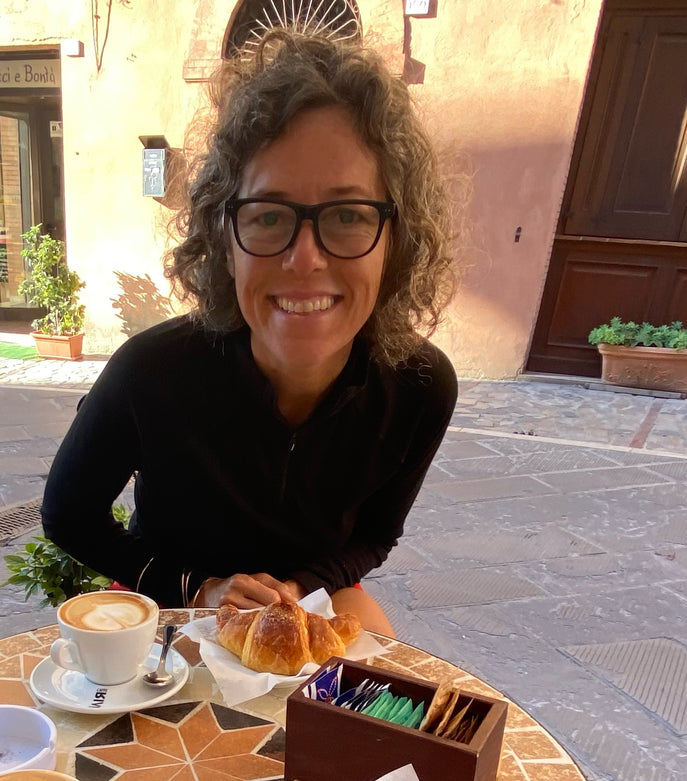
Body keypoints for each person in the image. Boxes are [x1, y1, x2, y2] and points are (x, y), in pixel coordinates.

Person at [42, 28, 458, 636]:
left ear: (396, 242)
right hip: (172, 601)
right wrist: (201, 589)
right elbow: (68, 515)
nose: (305, 259)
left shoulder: (421, 386)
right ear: (222, 241)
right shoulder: (150, 371)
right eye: (268, 216)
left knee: (372, 718)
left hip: (313, 601)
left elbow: (375, 535)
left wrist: (300, 588)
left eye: (347, 215)